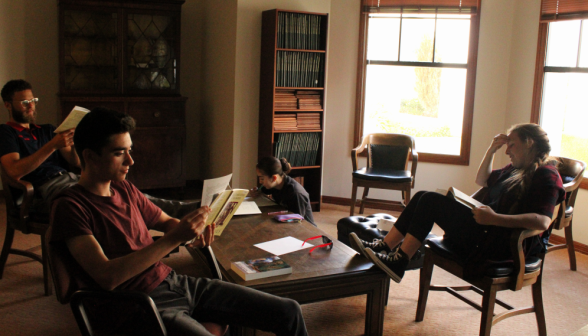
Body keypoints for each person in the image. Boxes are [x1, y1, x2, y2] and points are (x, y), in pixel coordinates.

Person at [49, 107, 308, 336]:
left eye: (130, 150)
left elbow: (166, 221)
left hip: (173, 282)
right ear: (91, 156)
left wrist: (192, 231)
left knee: (288, 310)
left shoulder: (124, 189)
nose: (131, 161)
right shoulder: (70, 207)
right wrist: (175, 238)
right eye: (119, 153)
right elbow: (107, 276)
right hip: (136, 305)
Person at [349, 123, 565, 283]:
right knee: (423, 196)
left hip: (499, 242)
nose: (507, 151)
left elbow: (542, 221)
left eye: (512, 145)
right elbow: (482, 180)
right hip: (485, 230)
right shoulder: (515, 170)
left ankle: (399, 261)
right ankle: (387, 246)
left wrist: (495, 218)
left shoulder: (547, 175)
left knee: (431, 202)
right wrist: (491, 149)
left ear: (530, 143)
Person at [0, 79, 196, 217]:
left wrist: (76, 138)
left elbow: (76, 162)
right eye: (25, 103)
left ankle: (184, 209)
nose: (31, 107)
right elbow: (14, 171)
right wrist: (52, 145)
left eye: (33, 101)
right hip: (40, 192)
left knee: (123, 188)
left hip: (68, 179)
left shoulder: (47, 130)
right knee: (101, 199)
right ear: (8, 105)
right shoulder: (6, 133)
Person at [250, 156, 316, 226]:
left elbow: (296, 221)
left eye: (262, 178)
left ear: (274, 178)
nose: (260, 182)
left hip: (305, 230)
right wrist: (256, 192)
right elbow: (262, 191)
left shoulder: (295, 193)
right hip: (284, 220)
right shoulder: (275, 184)